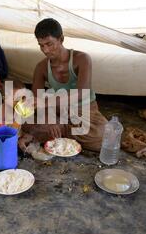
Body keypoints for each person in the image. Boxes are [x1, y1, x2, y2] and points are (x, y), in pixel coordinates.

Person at [19, 18, 107, 152]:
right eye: (41, 45)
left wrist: (47, 107)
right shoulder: (41, 67)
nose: (45, 50)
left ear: (61, 39)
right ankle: (58, 130)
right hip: (59, 110)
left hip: (85, 110)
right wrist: (49, 118)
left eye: (49, 44)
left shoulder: (82, 59)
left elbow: (81, 93)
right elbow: (38, 100)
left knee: (103, 137)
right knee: (23, 121)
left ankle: (54, 132)